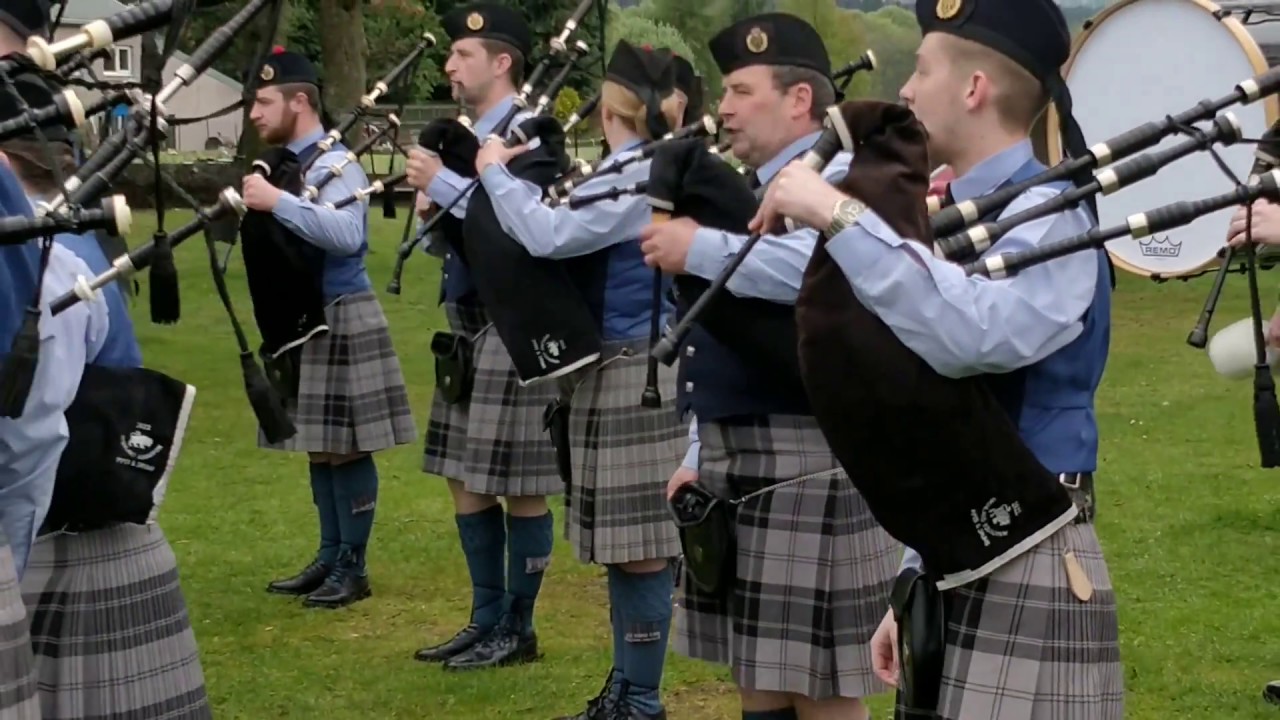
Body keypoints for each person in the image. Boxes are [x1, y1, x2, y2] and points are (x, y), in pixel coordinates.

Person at [751, 0, 1123, 717]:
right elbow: (942, 422)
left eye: (922, 70)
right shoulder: (958, 217)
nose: (908, 91)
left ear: (974, 88)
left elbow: (970, 335)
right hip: (963, 545)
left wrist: (840, 215)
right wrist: (915, 574)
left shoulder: (1052, 218)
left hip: (1032, 547)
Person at [637, 12, 900, 720]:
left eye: (741, 89)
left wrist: (697, 248)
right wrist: (698, 447)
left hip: (814, 455)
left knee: (822, 689)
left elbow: (823, 269)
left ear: (800, 103)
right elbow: (721, 333)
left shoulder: (846, 180)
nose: (722, 107)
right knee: (758, 678)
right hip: (739, 454)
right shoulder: (753, 188)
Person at [473, 40, 685, 719]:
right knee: (628, 550)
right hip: (618, 366)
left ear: (609, 106)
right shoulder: (636, 166)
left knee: (644, 547)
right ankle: (626, 687)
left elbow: (549, 235)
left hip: (637, 368)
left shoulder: (642, 173)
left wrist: (493, 173)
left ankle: (642, 698)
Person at [0, 74, 212, 718]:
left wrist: (10, 562)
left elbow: (29, 437)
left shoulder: (52, 257)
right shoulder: (62, 242)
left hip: (77, 548)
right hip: (69, 534)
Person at [404, 2, 562, 671]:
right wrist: (435, 208)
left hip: (513, 323)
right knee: (465, 478)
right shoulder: (464, 136)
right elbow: (467, 228)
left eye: (461, 55)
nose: (448, 64)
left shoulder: (533, 133)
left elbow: (517, 228)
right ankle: (486, 615)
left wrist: (443, 184)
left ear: (501, 62)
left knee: (519, 481)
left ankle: (519, 629)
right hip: (466, 322)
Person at [246, 48, 417, 608]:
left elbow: (348, 234)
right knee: (318, 446)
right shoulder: (283, 163)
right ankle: (328, 554)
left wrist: (277, 203)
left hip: (341, 310)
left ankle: (354, 565)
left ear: (301, 101)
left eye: (264, 101)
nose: (254, 113)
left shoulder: (335, 163)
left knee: (345, 447)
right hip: (300, 318)